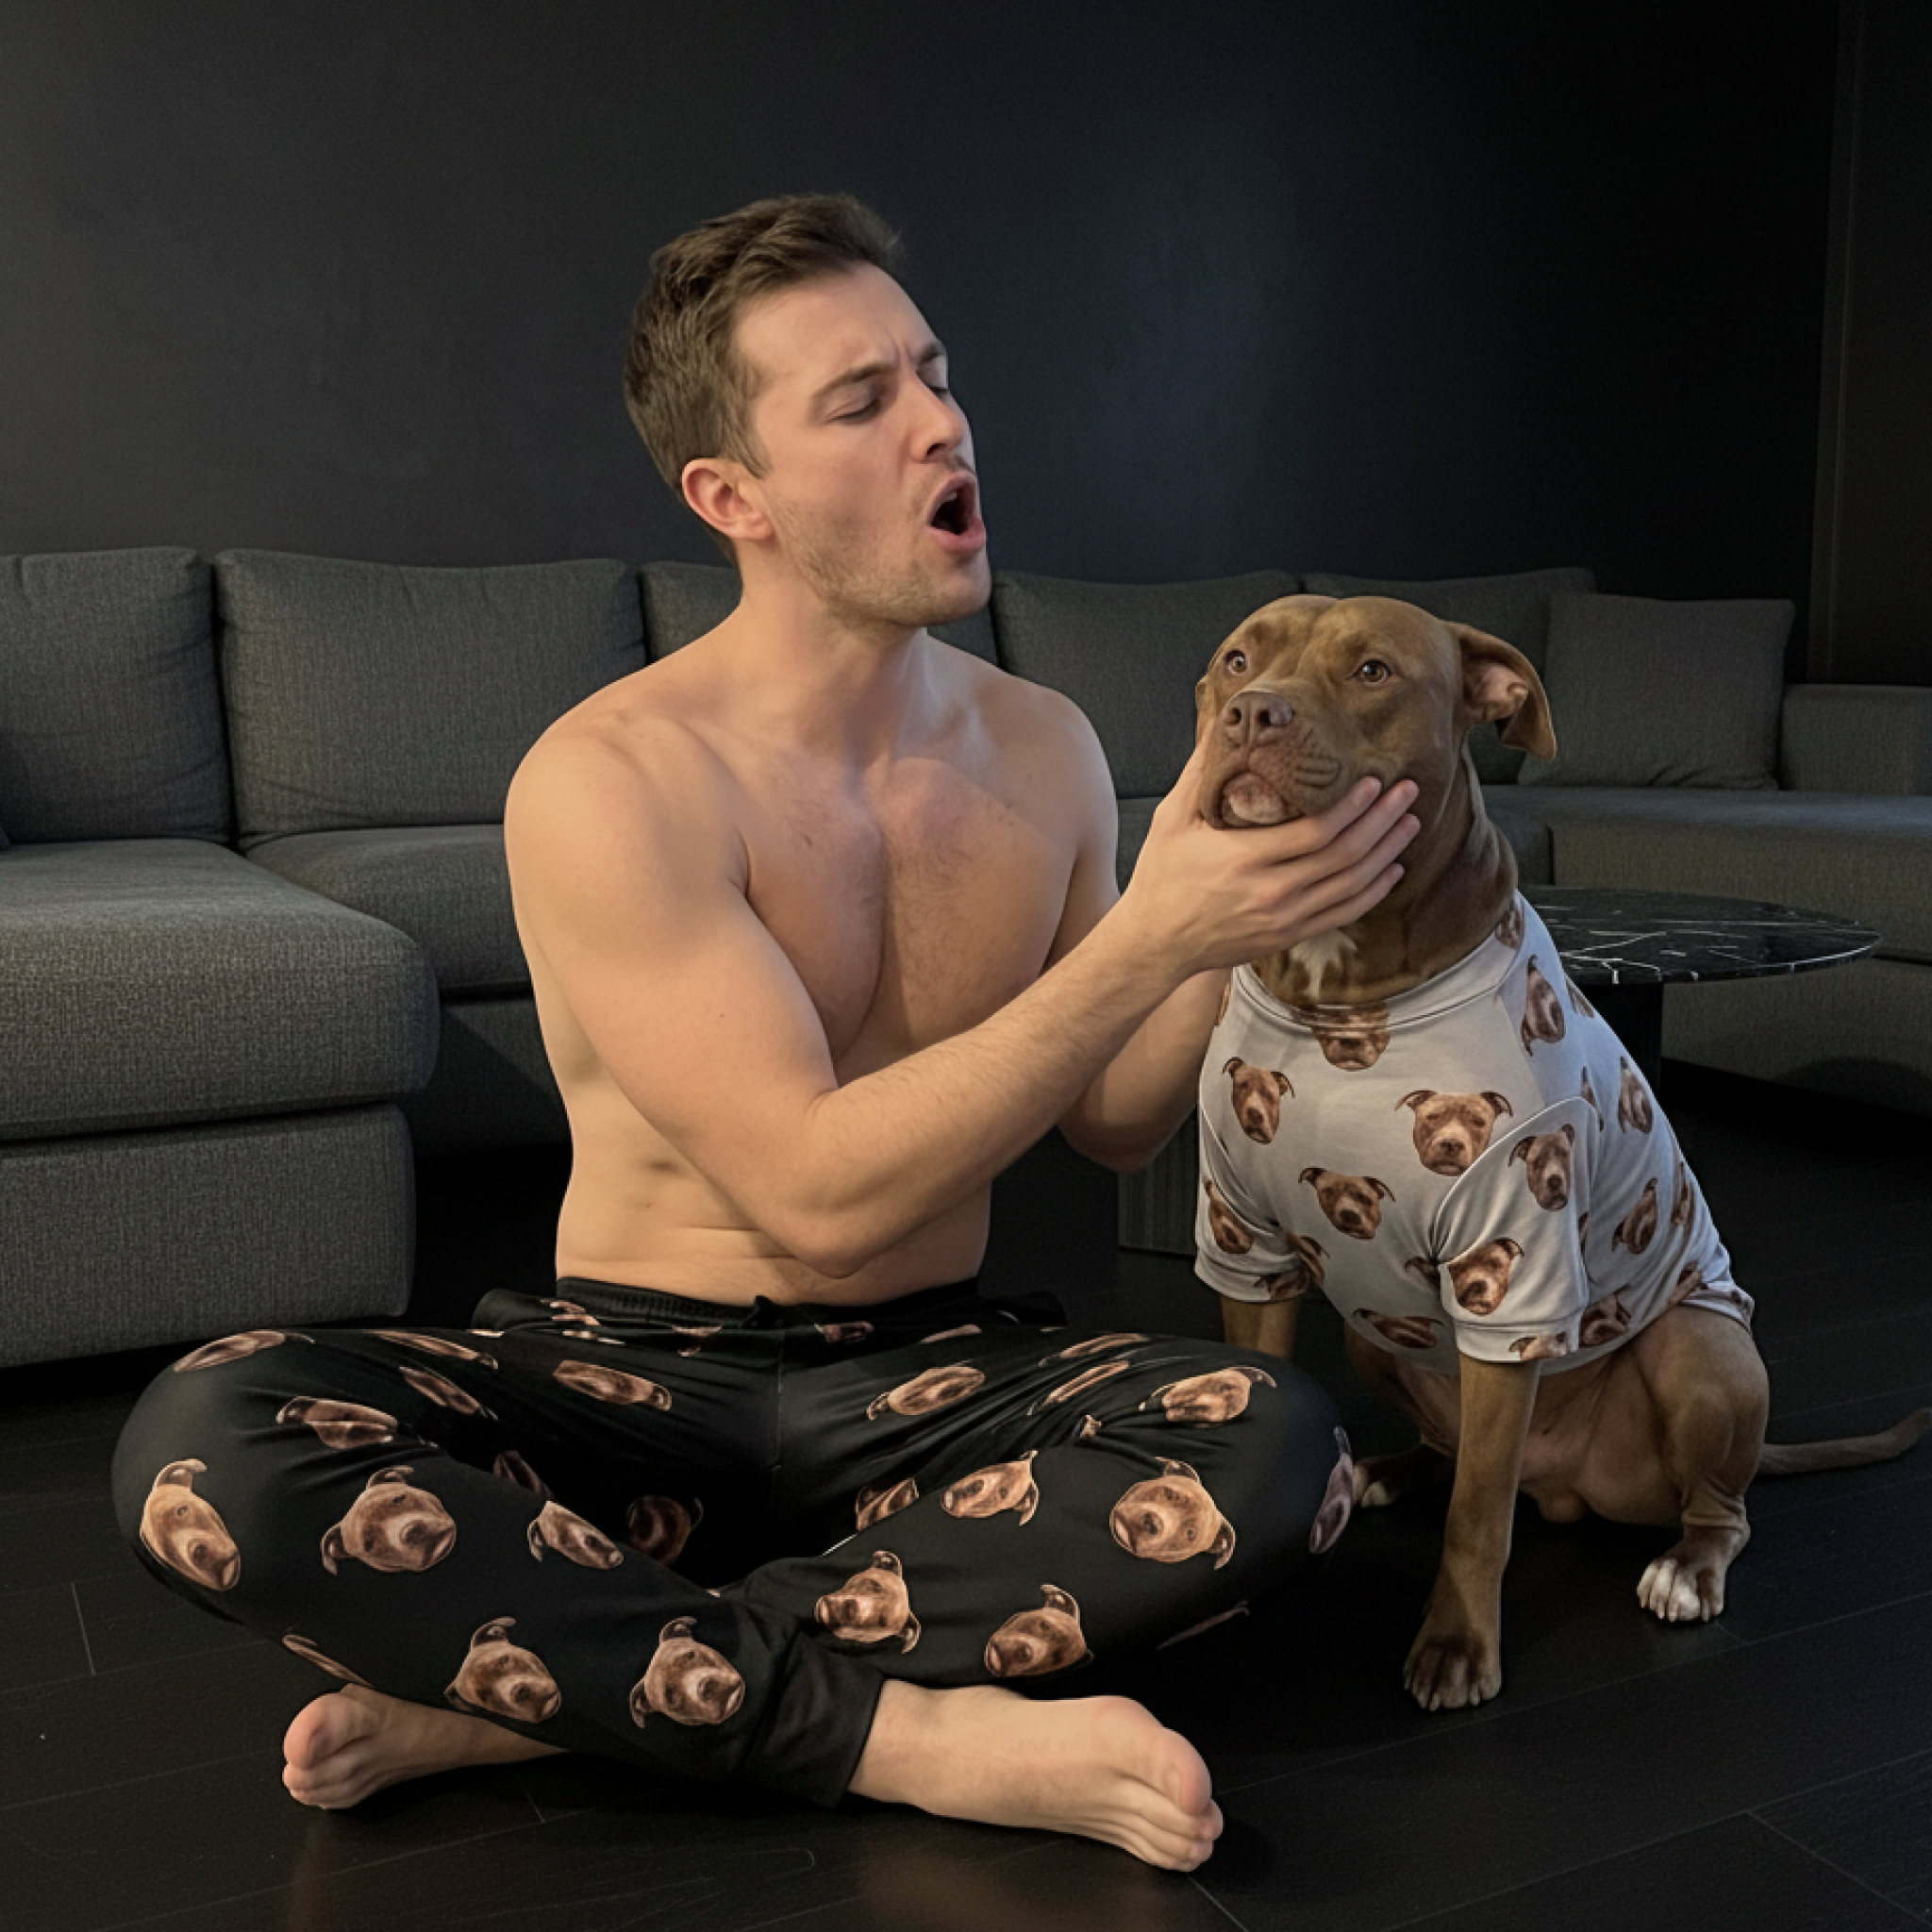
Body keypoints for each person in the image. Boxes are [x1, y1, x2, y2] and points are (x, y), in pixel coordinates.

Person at [112, 193, 1419, 1872]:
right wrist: (1152, 939)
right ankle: (897, 1730)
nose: (942, 420)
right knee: (205, 1448)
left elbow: (1112, 1123)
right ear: (732, 498)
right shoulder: (612, 776)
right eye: (862, 400)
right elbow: (809, 1191)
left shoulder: (1047, 748)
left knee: (1283, 1447)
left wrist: (1237, 930)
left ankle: (543, 1682)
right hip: (623, 1385)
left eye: (935, 375)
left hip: (933, 1382)